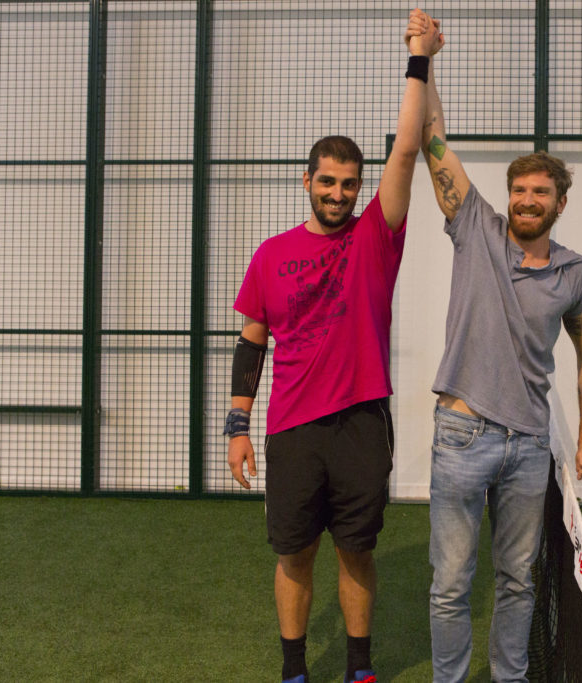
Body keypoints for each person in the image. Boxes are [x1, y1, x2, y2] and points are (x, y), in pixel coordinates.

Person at [223, 14, 439, 683]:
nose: (339, 193)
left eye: (349, 183)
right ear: (308, 181)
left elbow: (406, 151)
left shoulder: (377, 236)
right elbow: (252, 341)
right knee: (294, 555)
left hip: (361, 424)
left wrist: (419, 59)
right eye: (328, 182)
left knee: (356, 552)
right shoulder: (271, 255)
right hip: (292, 429)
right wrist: (236, 427)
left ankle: (359, 669)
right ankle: (294, 670)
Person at [407, 10, 582, 682]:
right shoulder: (477, 227)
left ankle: (509, 677)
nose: (525, 199)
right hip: (461, 433)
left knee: (518, 580)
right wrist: (426, 58)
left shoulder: (575, 274)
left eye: (539, 192)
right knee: (450, 582)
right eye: (519, 189)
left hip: (527, 445)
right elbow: (433, 137)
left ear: (559, 202)